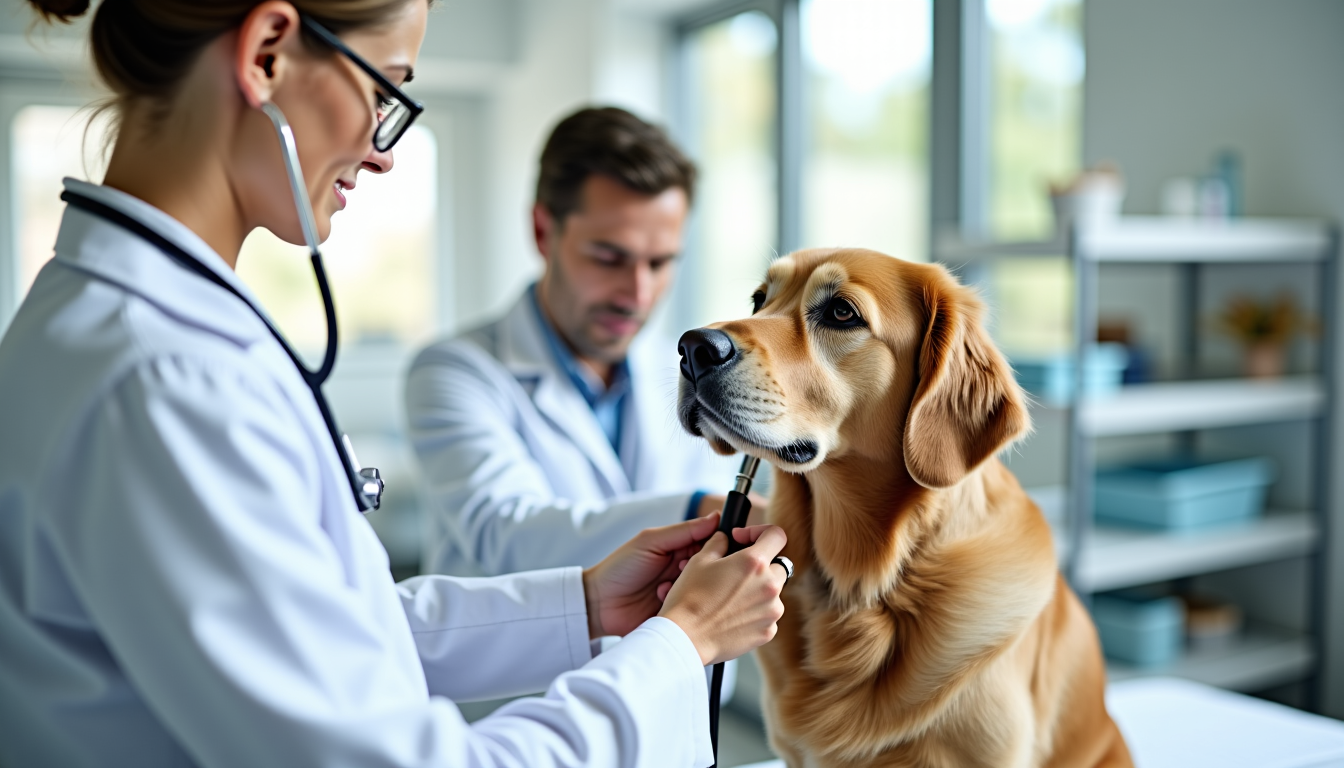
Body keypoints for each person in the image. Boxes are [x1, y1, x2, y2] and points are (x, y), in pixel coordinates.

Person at [0, 2, 788, 767]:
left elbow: (331, 631)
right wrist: (681, 646)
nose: (382, 151)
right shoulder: (167, 380)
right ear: (267, 53)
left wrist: (584, 606)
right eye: (384, 91)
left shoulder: (127, 329)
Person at [406, 107, 763, 579]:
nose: (637, 294)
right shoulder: (453, 372)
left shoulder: (694, 368)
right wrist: (702, 509)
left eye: (659, 263)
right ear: (542, 231)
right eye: (609, 257)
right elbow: (506, 535)